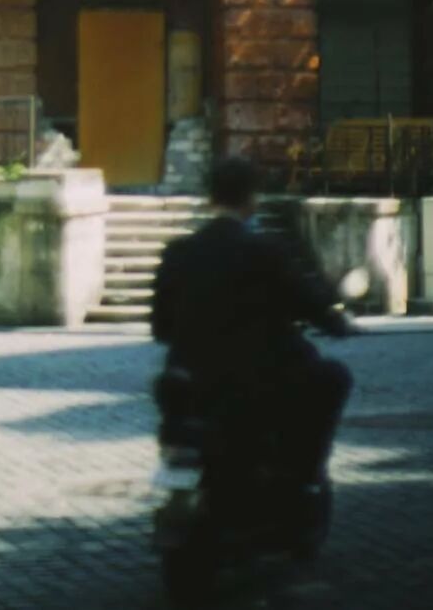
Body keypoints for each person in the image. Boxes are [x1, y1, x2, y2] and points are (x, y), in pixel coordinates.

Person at [151, 155, 353, 510]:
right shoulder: (265, 251)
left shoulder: (179, 253)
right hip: (255, 377)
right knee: (333, 376)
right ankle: (305, 473)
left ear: (211, 198)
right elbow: (308, 301)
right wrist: (335, 322)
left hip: (190, 375)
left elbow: (160, 326)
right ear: (251, 199)